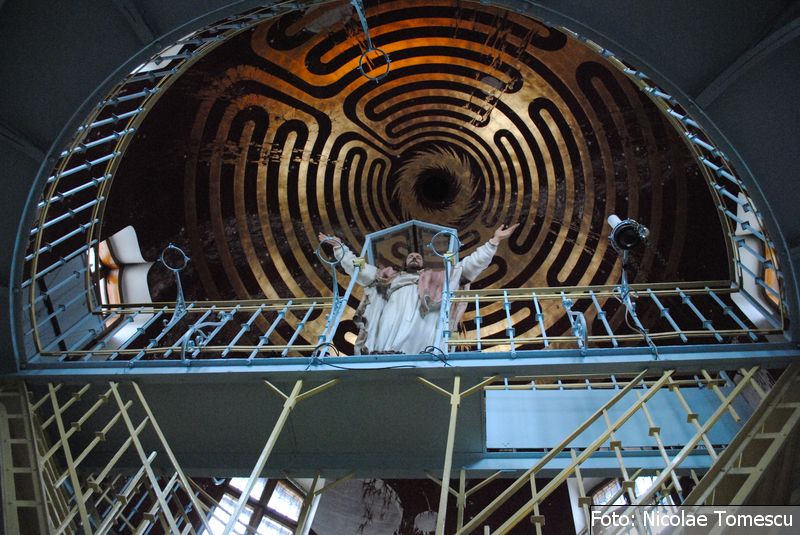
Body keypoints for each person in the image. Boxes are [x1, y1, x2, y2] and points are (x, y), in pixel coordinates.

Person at [318, 224, 519, 355]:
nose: (414, 257)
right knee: (387, 330)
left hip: (424, 315)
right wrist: (340, 249)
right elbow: (359, 268)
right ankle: (384, 353)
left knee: (422, 335)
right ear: (404, 262)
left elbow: (468, 266)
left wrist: (493, 242)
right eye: (411, 256)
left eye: (418, 257)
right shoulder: (388, 276)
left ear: (423, 264)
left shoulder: (438, 278)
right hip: (394, 308)